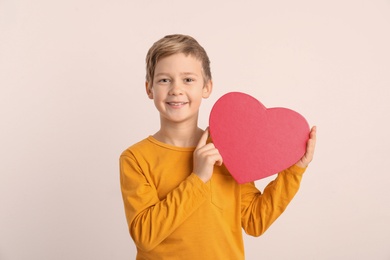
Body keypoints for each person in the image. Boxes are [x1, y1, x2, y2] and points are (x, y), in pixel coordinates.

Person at [120, 34, 317, 260]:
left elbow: (255, 221)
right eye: (164, 80)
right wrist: (197, 179)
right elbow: (144, 236)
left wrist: (294, 171)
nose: (176, 89)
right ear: (149, 89)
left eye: (188, 80)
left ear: (207, 87)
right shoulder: (135, 158)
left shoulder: (228, 147)